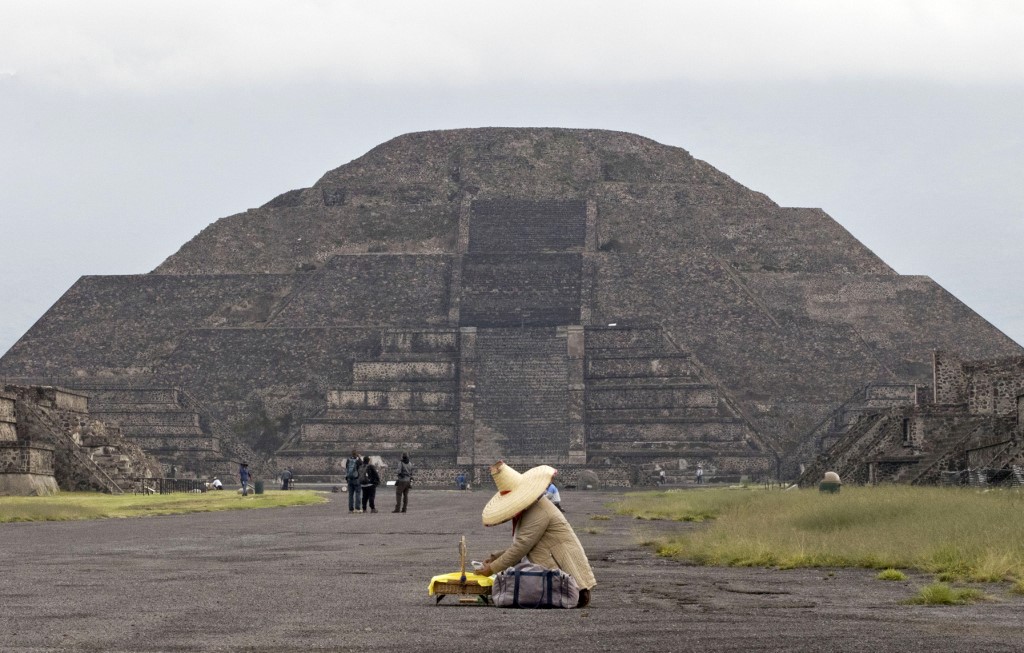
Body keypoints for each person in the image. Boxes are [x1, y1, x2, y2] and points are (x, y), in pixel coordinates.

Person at [476, 461, 596, 608]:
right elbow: (523, 544)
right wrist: (495, 558)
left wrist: (492, 568)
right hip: (556, 574)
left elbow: (521, 547)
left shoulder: (539, 511)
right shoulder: (532, 509)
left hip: (565, 579)